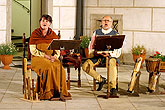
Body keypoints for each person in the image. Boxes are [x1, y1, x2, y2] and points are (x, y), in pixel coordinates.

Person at [29, 14, 71, 100]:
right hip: (37, 57)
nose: (44, 22)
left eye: (47, 21)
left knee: (60, 68)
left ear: (49, 23)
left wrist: (55, 57)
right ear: (40, 22)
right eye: (43, 20)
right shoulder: (35, 33)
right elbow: (33, 51)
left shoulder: (53, 34)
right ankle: (48, 92)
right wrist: (45, 56)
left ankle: (59, 91)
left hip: (50, 57)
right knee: (48, 66)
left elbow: (58, 49)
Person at [82, 16, 122, 96]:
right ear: (101, 22)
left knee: (112, 63)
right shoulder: (96, 33)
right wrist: (95, 53)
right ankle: (100, 79)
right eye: (104, 20)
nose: (106, 22)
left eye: (108, 21)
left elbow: (118, 49)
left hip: (110, 56)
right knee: (85, 65)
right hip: (98, 56)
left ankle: (112, 87)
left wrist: (110, 54)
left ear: (111, 23)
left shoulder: (115, 34)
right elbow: (91, 46)